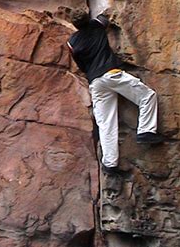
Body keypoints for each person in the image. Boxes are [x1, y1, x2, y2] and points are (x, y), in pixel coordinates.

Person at [66, 9, 165, 175]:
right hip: (112, 74)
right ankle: (146, 131)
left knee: (106, 123)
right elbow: (107, 15)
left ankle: (110, 164)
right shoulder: (96, 25)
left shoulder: (72, 43)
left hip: (95, 82)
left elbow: (80, 65)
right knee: (147, 96)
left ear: (74, 25)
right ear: (87, 18)